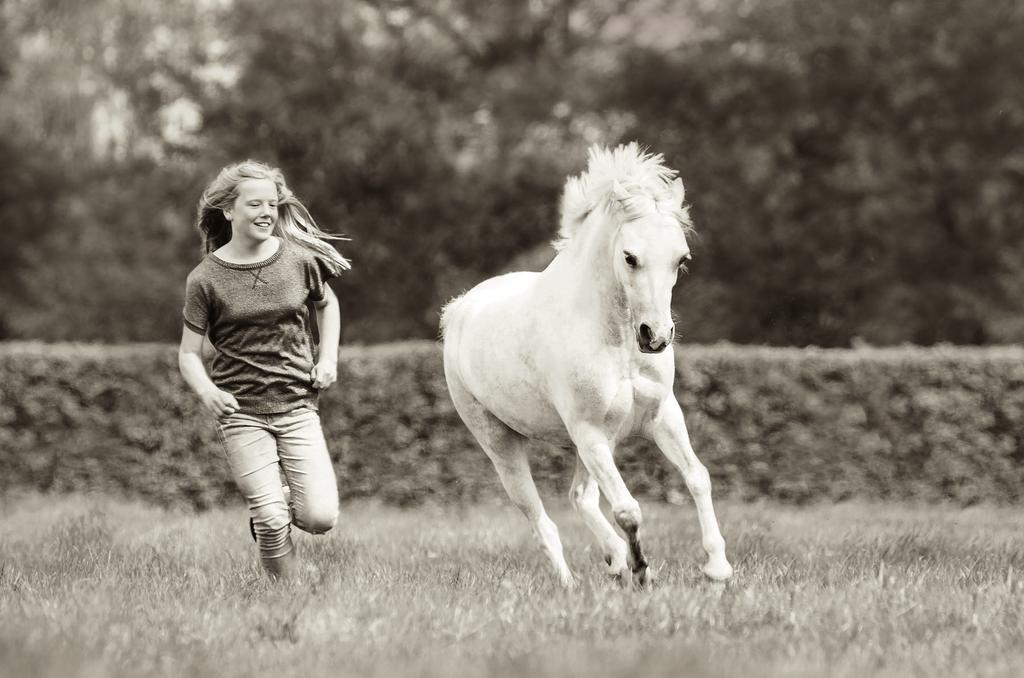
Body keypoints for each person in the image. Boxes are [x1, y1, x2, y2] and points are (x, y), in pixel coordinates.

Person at [178, 160, 351, 580]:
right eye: (254, 204)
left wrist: (327, 358)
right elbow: (187, 354)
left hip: (297, 407)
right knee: (274, 520)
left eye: (272, 204)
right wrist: (208, 392)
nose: (266, 213)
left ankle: (268, 506)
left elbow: (326, 305)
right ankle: (283, 600)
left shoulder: (299, 260)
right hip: (241, 414)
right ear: (228, 211)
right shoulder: (205, 280)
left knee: (320, 518)